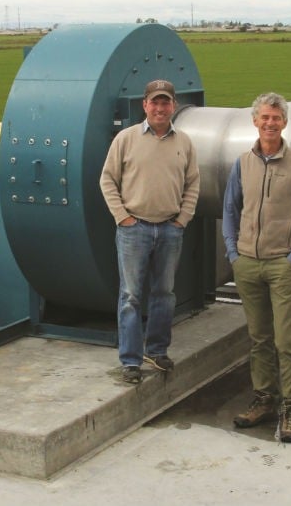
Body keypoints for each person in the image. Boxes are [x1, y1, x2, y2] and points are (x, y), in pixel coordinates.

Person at [221, 92, 291, 442]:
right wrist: (234, 254)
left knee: (286, 341)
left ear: (284, 122)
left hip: (283, 264)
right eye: (264, 117)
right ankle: (264, 399)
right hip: (248, 263)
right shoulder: (243, 163)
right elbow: (230, 211)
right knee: (259, 339)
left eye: (276, 118)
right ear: (255, 121)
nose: (269, 123)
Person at [100, 79, 200, 384]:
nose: (160, 108)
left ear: (173, 106)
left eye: (165, 102)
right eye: (154, 102)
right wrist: (123, 218)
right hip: (134, 230)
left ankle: (157, 351)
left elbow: (193, 182)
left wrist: (182, 218)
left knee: (164, 294)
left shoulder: (183, 142)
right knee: (130, 295)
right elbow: (107, 180)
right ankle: (130, 361)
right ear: (144, 106)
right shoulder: (126, 139)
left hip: (170, 230)